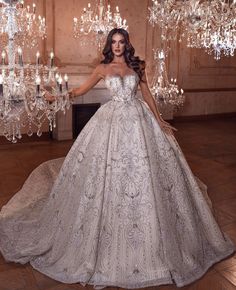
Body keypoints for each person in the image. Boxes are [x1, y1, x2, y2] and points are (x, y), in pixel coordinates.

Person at [0, 28, 235, 289]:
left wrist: (158, 120)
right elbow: (80, 91)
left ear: (127, 44)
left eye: (121, 42)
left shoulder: (138, 65)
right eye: (114, 42)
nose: (118, 46)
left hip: (139, 121)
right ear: (109, 45)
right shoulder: (102, 68)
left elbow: (146, 95)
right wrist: (56, 96)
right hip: (110, 122)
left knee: (146, 173)